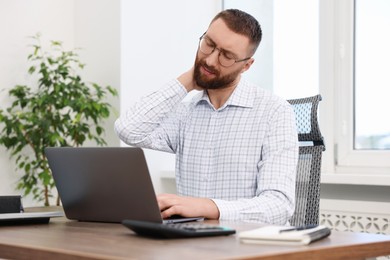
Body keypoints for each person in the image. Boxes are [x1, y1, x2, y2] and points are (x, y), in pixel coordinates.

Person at [115, 9, 298, 224]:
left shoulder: (274, 112)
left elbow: (278, 205)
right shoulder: (186, 112)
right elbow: (128, 129)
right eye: (209, 44)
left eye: (227, 56)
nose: (210, 60)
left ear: (246, 65)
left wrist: (209, 206)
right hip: (193, 243)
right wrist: (187, 81)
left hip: (248, 245)